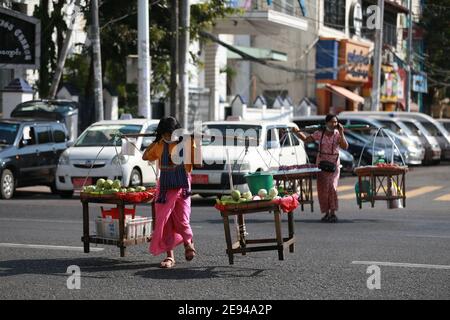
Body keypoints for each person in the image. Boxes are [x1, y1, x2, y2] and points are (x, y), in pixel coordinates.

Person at [142, 117, 198, 268]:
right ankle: (169, 257)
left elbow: (197, 160)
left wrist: (193, 141)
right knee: (164, 221)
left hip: (183, 188)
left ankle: (188, 243)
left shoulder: (186, 142)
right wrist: (155, 141)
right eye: (165, 134)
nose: (168, 137)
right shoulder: (159, 145)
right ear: (161, 134)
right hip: (165, 188)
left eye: (170, 134)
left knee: (182, 219)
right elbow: (145, 156)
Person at [293, 114, 349, 223]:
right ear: (326, 123)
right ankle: (326, 213)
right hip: (322, 165)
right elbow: (306, 139)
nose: (334, 124)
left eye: (335, 122)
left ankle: (333, 212)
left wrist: (342, 132)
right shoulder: (320, 133)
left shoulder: (338, 134)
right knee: (323, 190)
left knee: (332, 187)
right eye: (331, 122)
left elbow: (345, 146)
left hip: (334, 166)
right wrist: (297, 131)